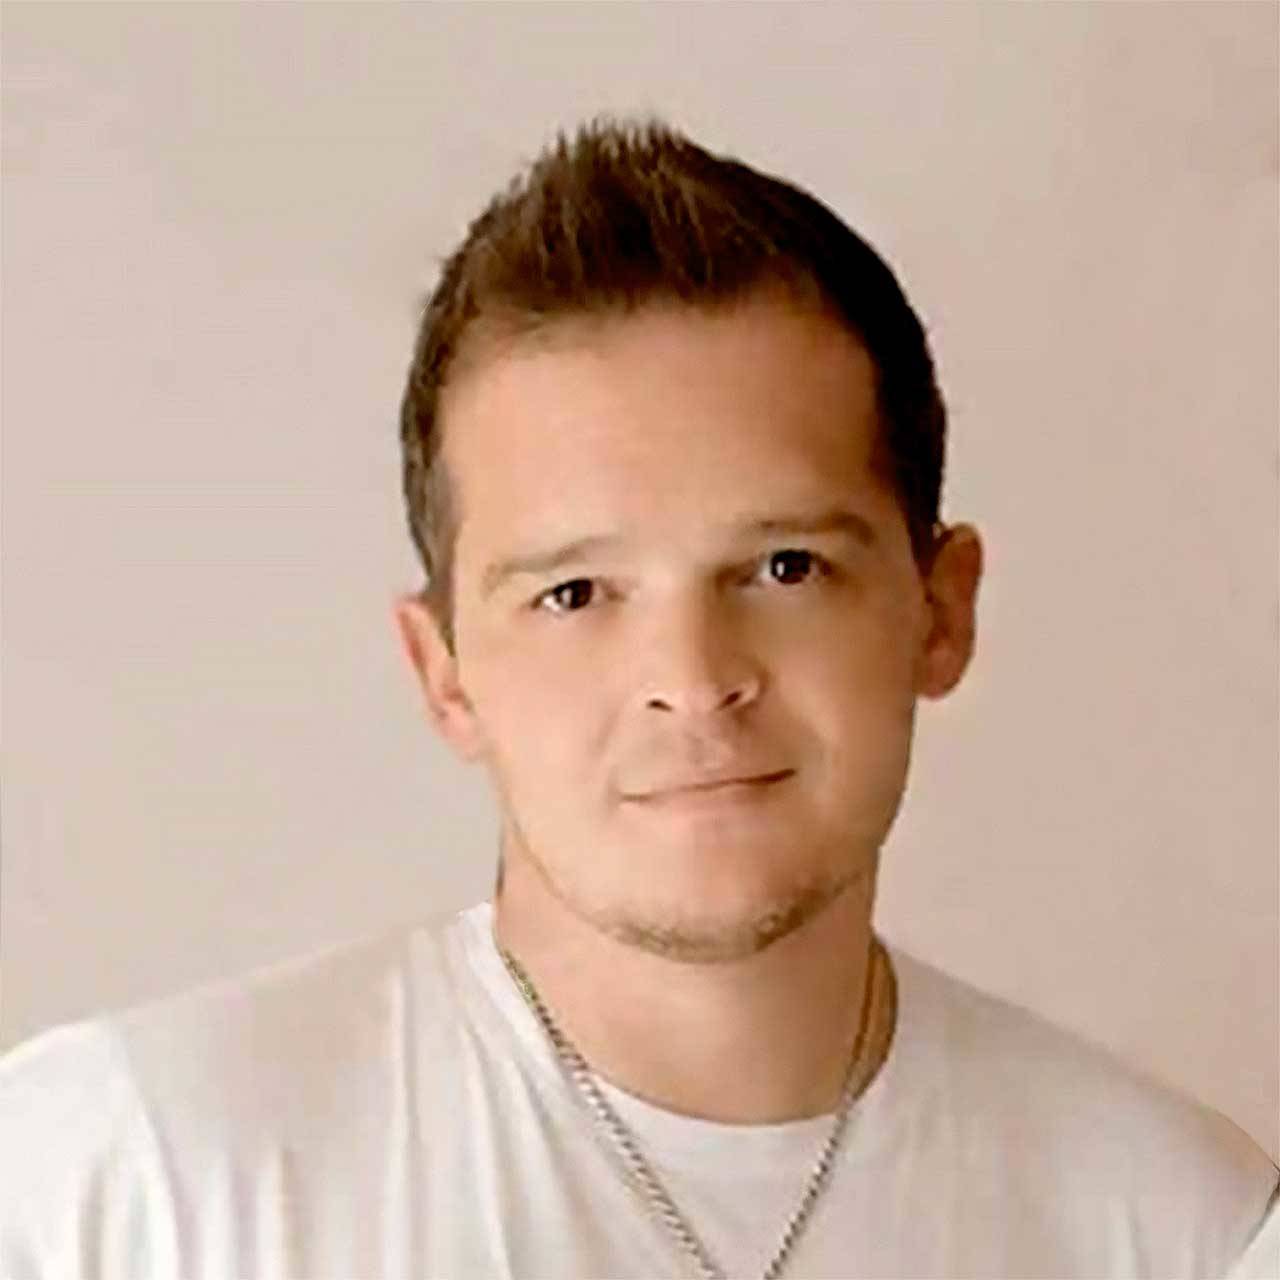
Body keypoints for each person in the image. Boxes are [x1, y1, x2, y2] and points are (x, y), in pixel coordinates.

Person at [1, 114, 1275, 1280]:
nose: (692, 679)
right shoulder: (123, 1184)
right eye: (574, 592)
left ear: (940, 611)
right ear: (444, 670)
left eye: (785, 567)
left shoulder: (1178, 1227)